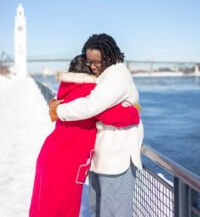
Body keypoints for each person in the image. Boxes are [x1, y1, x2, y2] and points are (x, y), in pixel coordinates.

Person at [29, 54, 140, 217]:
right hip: (67, 162)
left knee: (44, 207)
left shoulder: (65, 89)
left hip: (51, 155)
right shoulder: (88, 91)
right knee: (63, 209)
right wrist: (135, 111)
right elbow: (109, 114)